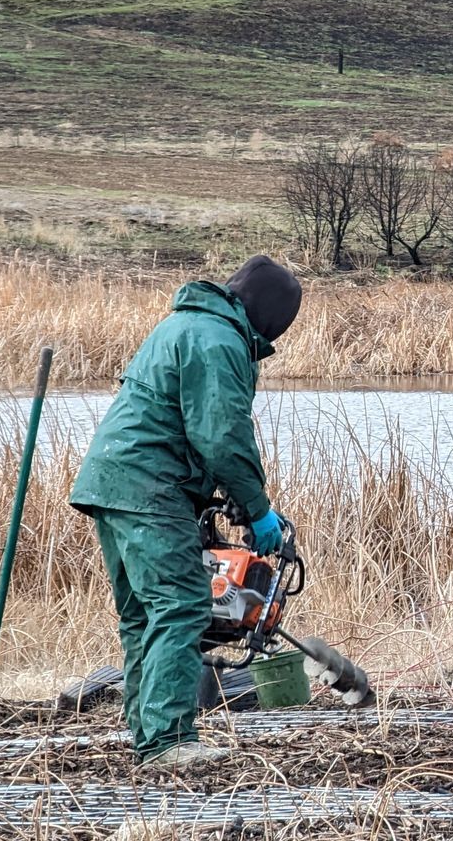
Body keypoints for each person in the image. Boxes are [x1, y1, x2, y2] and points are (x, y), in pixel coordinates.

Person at [69, 255, 302, 769]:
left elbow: (193, 427)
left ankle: (147, 729)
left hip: (112, 480)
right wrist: (259, 511)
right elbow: (221, 435)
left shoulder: (188, 323)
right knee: (181, 605)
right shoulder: (219, 341)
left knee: (143, 615)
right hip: (151, 486)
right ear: (268, 318)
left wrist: (237, 500)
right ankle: (168, 739)